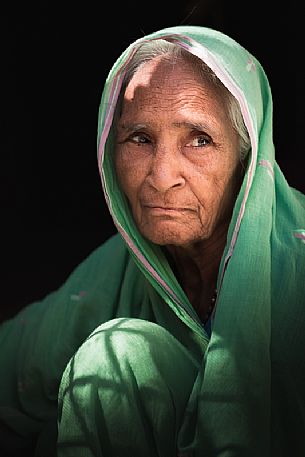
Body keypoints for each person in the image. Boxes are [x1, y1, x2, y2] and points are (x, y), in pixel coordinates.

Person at [0, 25, 304, 457]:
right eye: (140, 139)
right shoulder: (122, 270)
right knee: (118, 357)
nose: (162, 178)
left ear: (248, 158)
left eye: (200, 140)